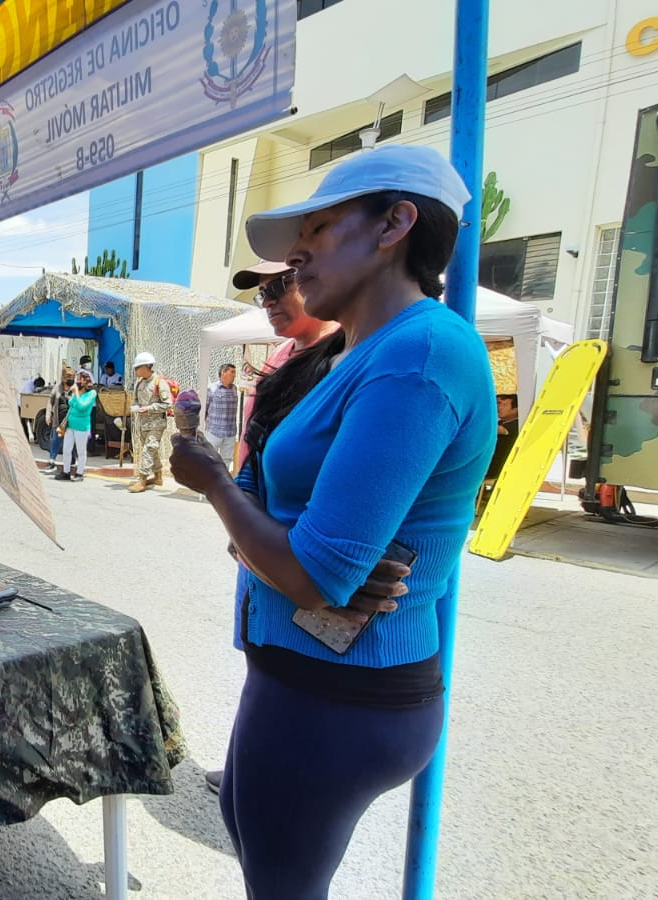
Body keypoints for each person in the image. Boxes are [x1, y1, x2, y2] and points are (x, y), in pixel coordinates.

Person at [168, 144, 495, 899]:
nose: (296, 255)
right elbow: (276, 531)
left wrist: (218, 485)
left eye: (316, 229)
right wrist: (275, 542)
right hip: (299, 674)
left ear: (395, 225)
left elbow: (314, 571)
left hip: (343, 695)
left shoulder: (418, 354)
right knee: (254, 838)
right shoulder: (354, 353)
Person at [232, 258, 340, 471]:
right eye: (262, 293)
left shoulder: (346, 352)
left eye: (277, 287)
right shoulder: (278, 355)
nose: (266, 303)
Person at [127, 351, 172, 493]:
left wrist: (149, 408)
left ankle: (142, 479)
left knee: (148, 449)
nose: (135, 370)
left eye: (137, 367)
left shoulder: (160, 383)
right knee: (152, 450)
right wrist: (135, 408)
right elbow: (135, 400)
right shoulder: (139, 383)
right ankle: (158, 475)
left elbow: (167, 404)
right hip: (143, 423)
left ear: (146, 367)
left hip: (156, 423)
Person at [56, 368, 98, 482]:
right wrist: (76, 395)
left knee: (80, 451)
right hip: (70, 425)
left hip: (81, 426)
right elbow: (70, 403)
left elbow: (82, 407)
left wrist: (76, 394)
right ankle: (66, 471)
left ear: (86, 382)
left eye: (80, 380)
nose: (77, 382)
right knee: (66, 449)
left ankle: (80, 473)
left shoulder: (92, 393)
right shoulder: (78, 392)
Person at [203, 363, 241, 466]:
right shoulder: (211, 389)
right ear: (223, 373)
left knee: (226, 461)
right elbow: (204, 410)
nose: (234, 375)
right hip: (214, 432)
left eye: (235, 373)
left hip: (230, 433)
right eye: (232, 372)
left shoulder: (234, 389)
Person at [47, 369, 74, 472]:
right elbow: (50, 401)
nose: (70, 379)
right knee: (55, 441)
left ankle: (72, 461)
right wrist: (48, 415)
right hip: (58, 420)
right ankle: (52, 461)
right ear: (63, 378)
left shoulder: (75, 388)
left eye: (72, 377)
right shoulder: (57, 388)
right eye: (68, 377)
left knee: (72, 442)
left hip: (71, 420)